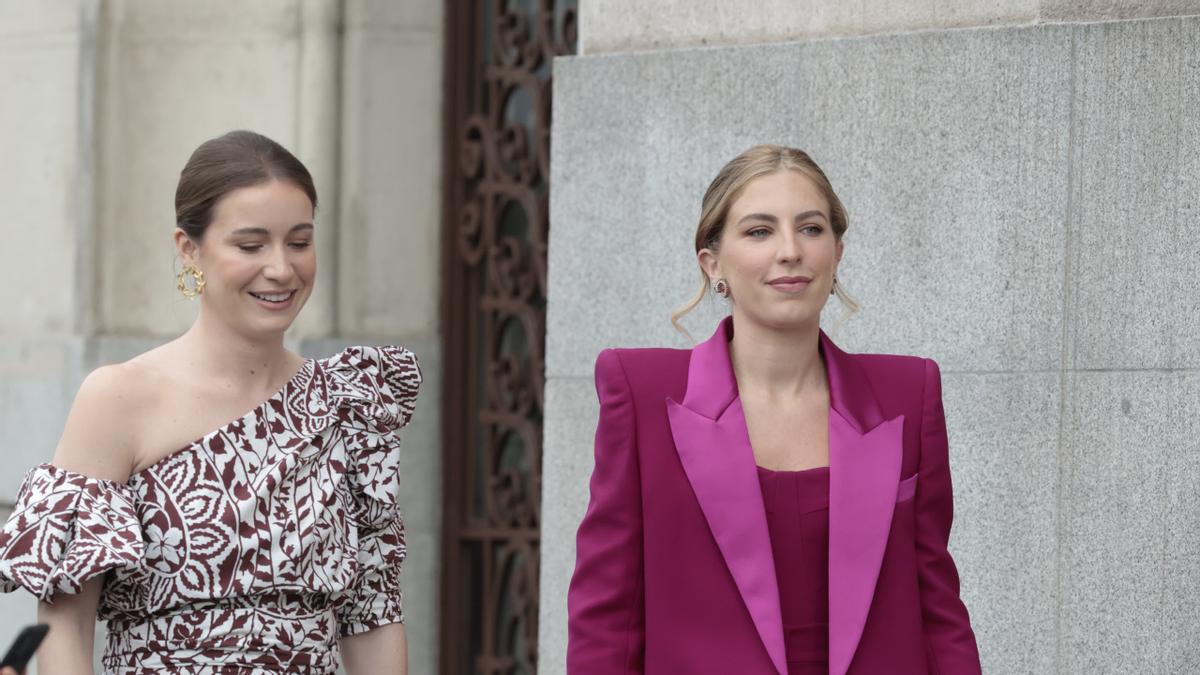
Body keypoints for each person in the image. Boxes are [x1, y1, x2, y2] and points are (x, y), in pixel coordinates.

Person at [0, 130, 420, 674]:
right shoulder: (120, 399)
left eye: (299, 242)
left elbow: (373, 615)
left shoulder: (350, 403)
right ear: (188, 248)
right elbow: (64, 621)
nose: (281, 269)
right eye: (250, 245)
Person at [566, 145, 981, 674]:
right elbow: (606, 619)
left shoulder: (907, 393)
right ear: (713, 263)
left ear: (836, 254)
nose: (790, 251)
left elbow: (936, 605)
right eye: (759, 231)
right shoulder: (641, 392)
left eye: (811, 229)